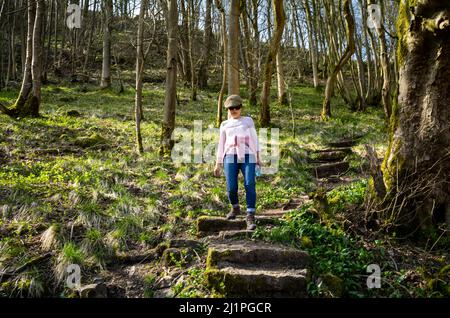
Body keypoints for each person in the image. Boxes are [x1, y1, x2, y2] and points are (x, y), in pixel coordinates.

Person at [213, 95, 261, 231]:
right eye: (231, 108)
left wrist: (258, 156)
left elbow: (255, 139)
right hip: (230, 156)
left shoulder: (248, 121)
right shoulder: (224, 124)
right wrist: (218, 163)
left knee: (249, 183)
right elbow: (221, 144)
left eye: (237, 107)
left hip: (248, 155)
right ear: (227, 109)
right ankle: (235, 208)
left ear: (241, 108)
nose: (234, 110)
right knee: (231, 187)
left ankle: (250, 215)